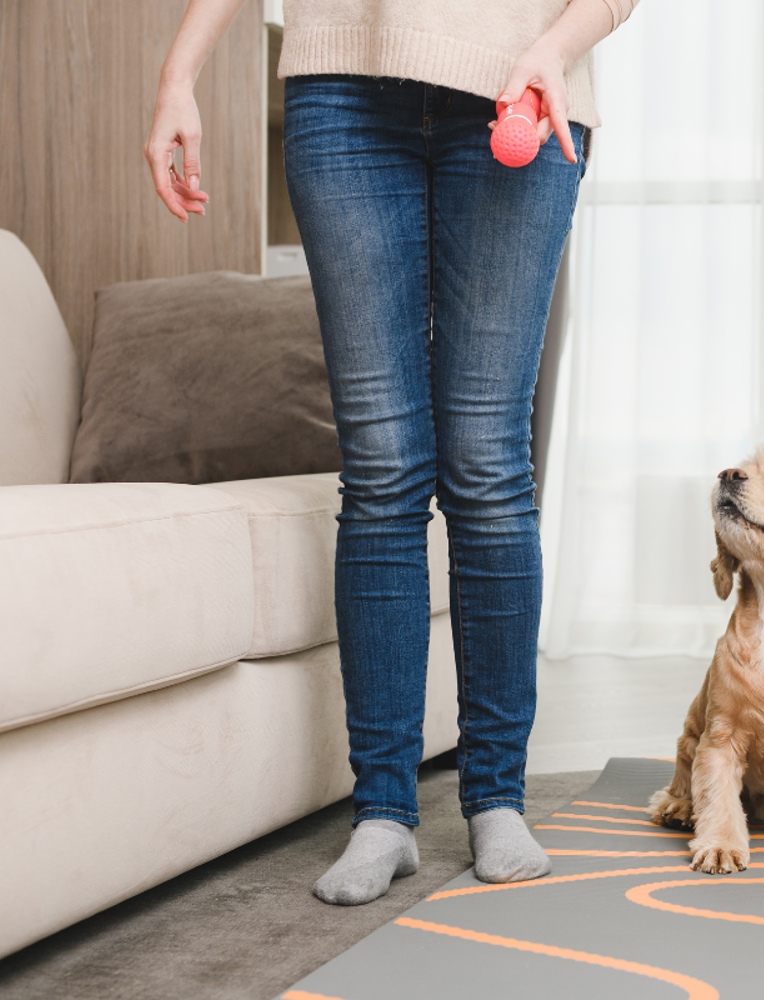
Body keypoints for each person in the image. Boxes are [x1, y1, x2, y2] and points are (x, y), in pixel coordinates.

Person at [145, 0, 637, 905]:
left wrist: (556, 46)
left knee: (487, 463)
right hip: (341, 91)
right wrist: (180, 76)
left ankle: (497, 797)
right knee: (380, 469)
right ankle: (382, 811)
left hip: (518, 84)